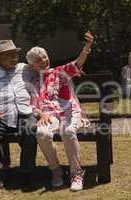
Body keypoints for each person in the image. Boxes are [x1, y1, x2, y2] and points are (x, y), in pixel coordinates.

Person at [24, 31, 94, 191]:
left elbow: (77, 64)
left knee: (68, 131)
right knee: (42, 134)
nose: (43, 60)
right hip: (49, 115)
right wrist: (41, 114)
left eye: (45, 56)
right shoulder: (34, 82)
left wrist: (87, 48)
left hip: (69, 111)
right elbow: (33, 105)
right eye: (38, 59)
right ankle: (56, 170)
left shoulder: (60, 72)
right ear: (32, 66)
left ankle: (76, 173)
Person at [0, 40, 38, 188]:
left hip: (24, 114)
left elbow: (45, 71)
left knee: (31, 129)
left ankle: (26, 172)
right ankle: (2, 170)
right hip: (0, 119)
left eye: (15, 54)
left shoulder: (25, 69)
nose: (14, 57)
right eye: (9, 55)